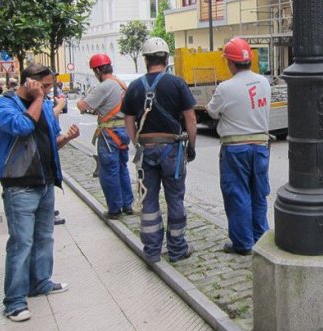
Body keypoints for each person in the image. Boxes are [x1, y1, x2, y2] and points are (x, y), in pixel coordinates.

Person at [0, 63, 80, 322]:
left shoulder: (44, 106)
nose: (49, 90)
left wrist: (67, 139)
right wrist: (39, 98)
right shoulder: (1, 105)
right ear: (30, 82)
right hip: (19, 185)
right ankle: (15, 301)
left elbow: (50, 141)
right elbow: (22, 127)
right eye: (46, 85)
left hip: (45, 182)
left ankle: (40, 282)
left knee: (44, 237)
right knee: (21, 243)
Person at [122, 37, 197, 263]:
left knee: (149, 201)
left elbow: (128, 121)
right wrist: (191, 147)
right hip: (172, 150)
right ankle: (177, 249)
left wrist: (138, 142)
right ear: (166, 58)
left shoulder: (135, 87)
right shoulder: (177, 83)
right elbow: (190, 118)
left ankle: (152, 250)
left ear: (145, 60)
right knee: (175, 199)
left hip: (146, 151)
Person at [206, 37, 272, 256]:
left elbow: (212, 112)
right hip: (261, 146)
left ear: (230, 63)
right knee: (258, 193)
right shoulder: (263, 82)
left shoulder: (225, 88)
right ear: (250, 60)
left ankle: (243, 243)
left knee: (238, 195)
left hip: (235, 149)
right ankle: (261, 239)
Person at [77, 54, 134, 219]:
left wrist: (87, 103)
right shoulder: (120, 83)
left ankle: (114, 209)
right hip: (123, 131)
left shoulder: (104, 86)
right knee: (122, 168)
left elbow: (81, 105)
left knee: (109, 171)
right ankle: (127, 205)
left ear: (97, 70)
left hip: (109, 134)